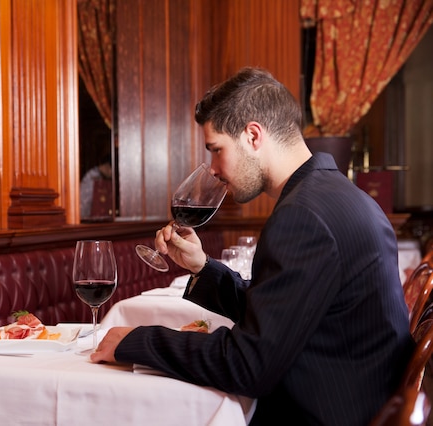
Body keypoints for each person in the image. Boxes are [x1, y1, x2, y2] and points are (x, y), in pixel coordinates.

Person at [91, 67, 413, 425]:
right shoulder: (335, 196)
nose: (212, 169)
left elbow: (247, 365)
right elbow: (281, 314)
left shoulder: (304, 215)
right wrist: (202, 266)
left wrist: (137, 340)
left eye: (216, 150)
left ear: (253, 135)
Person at [80, 154, 112, 219]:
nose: (112, 173)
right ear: (107, 166)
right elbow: (83, 205)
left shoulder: (104, 179)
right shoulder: (91, 179)